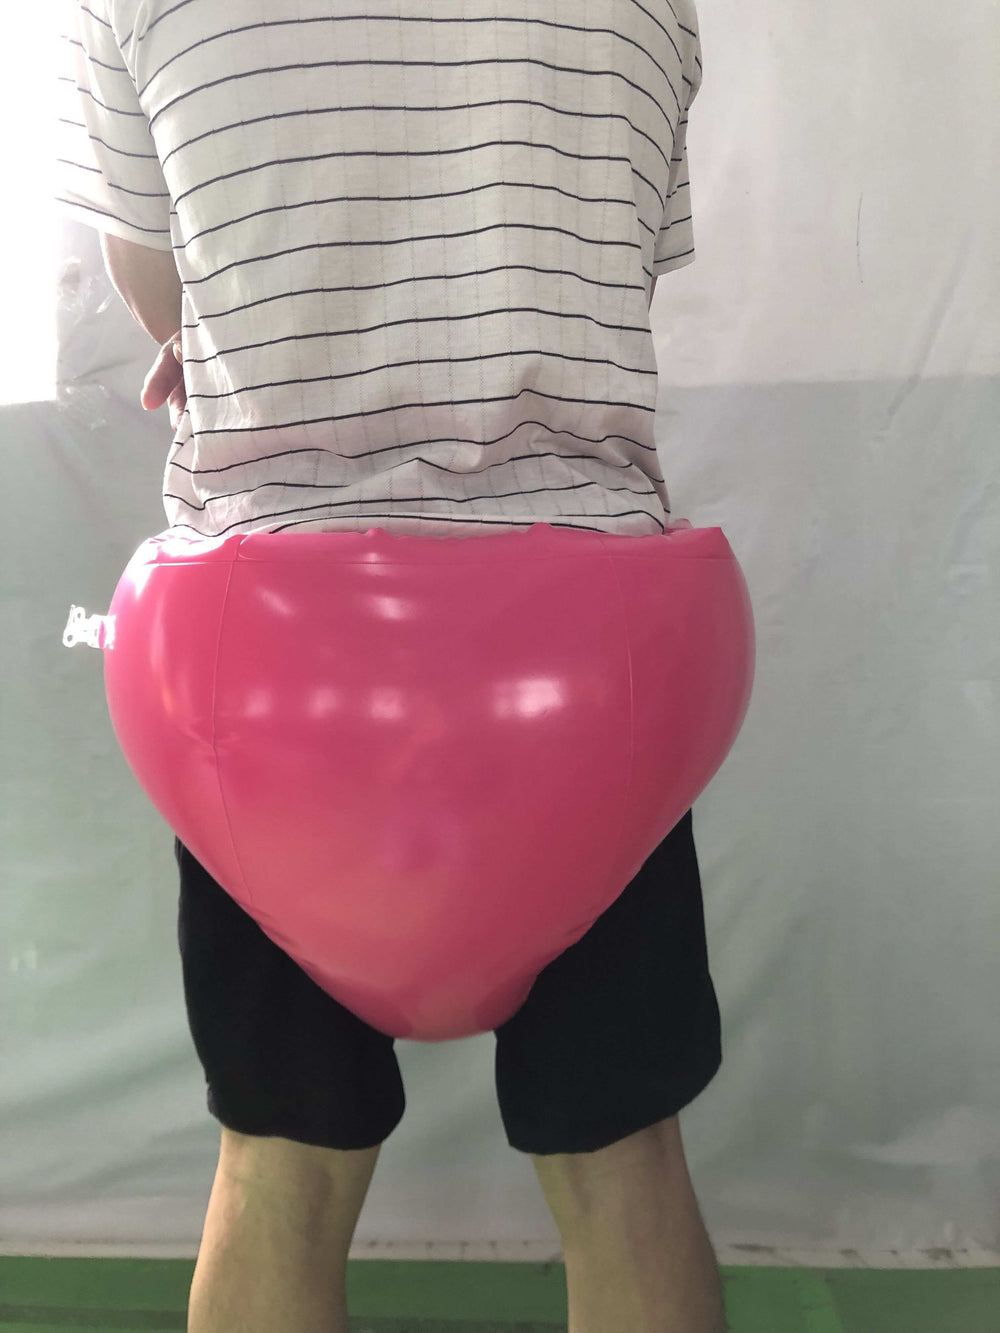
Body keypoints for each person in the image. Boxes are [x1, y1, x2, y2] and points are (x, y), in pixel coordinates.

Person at [55, 3, 727, 1331]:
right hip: (580, 662)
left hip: (277, 664)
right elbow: (610, 269)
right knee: (623, 1160)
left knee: (280, 1162)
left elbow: (152, 268)